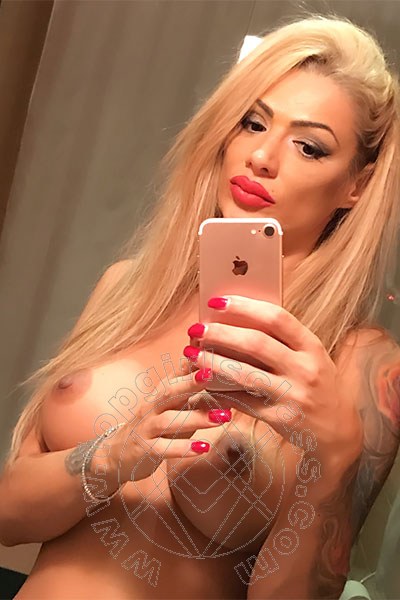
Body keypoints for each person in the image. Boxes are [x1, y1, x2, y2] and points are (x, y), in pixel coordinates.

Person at [1, 12, 400, 600]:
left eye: (309, 147)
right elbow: (8, 516)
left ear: (356, 185)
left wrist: (335, 455)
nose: (262, 156)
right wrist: (111, 456)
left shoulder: (364, 360)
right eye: (252, 122)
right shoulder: (126, 288)